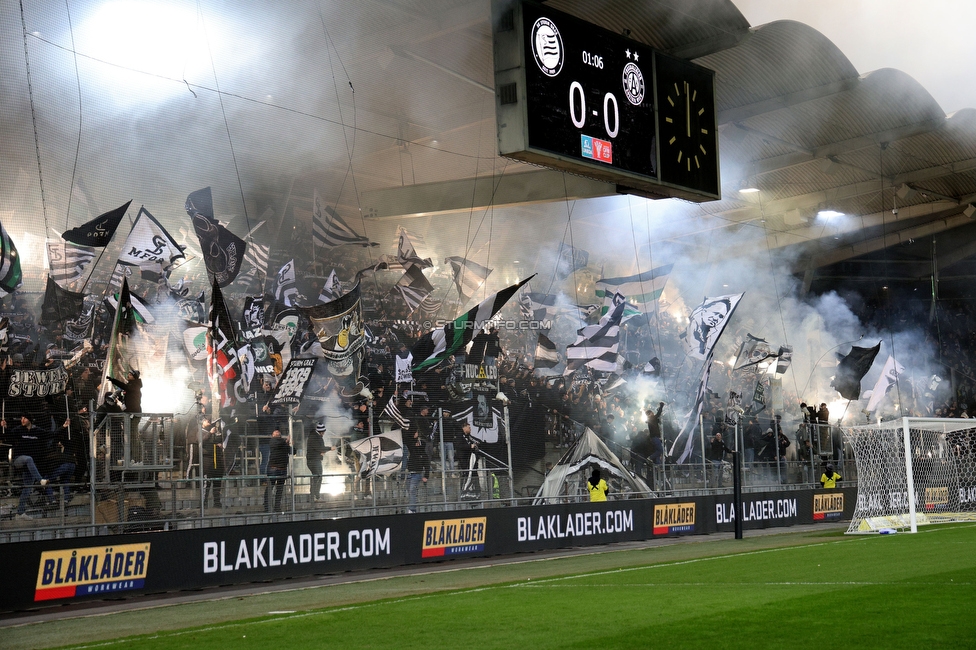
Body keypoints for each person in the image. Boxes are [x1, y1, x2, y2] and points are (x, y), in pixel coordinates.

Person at [3, 413, 53, 519]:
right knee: (28, 458)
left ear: (29, 419)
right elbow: (9, 436)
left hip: (30, 465)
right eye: (21, 418)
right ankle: (41, 481)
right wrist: (5, 427)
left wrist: (63, 427)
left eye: (24, 418)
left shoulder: (38, 431)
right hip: (19, 460)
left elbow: (50, 434)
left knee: (27, 488)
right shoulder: (18, 430)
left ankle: (20, 513)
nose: (22, 420)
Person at [405, 418, 431, 513]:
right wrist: (414, 438)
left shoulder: (423, 454)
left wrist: (426, 476)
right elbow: (410, 444)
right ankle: (412, 506)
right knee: (409, 491)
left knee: (412, 490)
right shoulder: (412, 450)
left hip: (417, 474)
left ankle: (412, 509)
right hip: (409, 474)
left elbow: (427, 466)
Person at [264, 428, 293, 513]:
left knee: (279, 490)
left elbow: (293, 451)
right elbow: (277, 444)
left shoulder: (284, 443)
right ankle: (267, 507)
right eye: (275, 432)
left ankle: (277, 507)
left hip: (282, 469)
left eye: (278, 432)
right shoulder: (273, 441)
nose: (277, 432)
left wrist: (291, 444)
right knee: (270, 489)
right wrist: (286, 441)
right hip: (273, 469)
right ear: (272, 435)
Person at [306, 421, 328, 503]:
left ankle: (315, 496)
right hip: (313, 461)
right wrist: (329, 448)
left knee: (318, 477)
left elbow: (320, 449)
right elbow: (320, 448)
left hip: (316, 460)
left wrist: (321, 454)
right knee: (317, 477)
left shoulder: (315, 436)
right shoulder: (314, 437)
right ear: (321, 431)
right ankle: (315, 496)